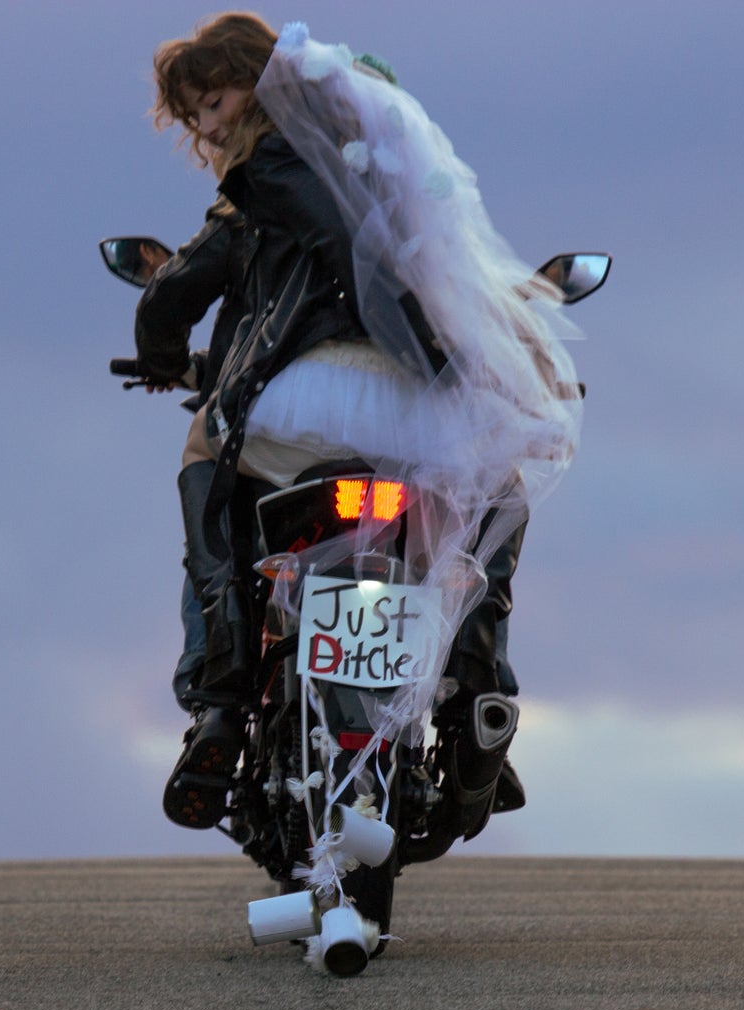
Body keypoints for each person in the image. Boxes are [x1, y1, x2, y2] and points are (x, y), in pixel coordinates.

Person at [135, 13, 582, 840]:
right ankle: (479, 689)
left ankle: (222, 697)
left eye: (215, 100)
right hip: (411, 409)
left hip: (296, 408)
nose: (208, 124)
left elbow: (172, 294)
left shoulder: (253, 194)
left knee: (205, 453)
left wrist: (160, 354)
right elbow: (464, 299)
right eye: (195, 112)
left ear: (257, 86)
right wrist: (488, 372)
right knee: (492, 493)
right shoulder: (393, 191)